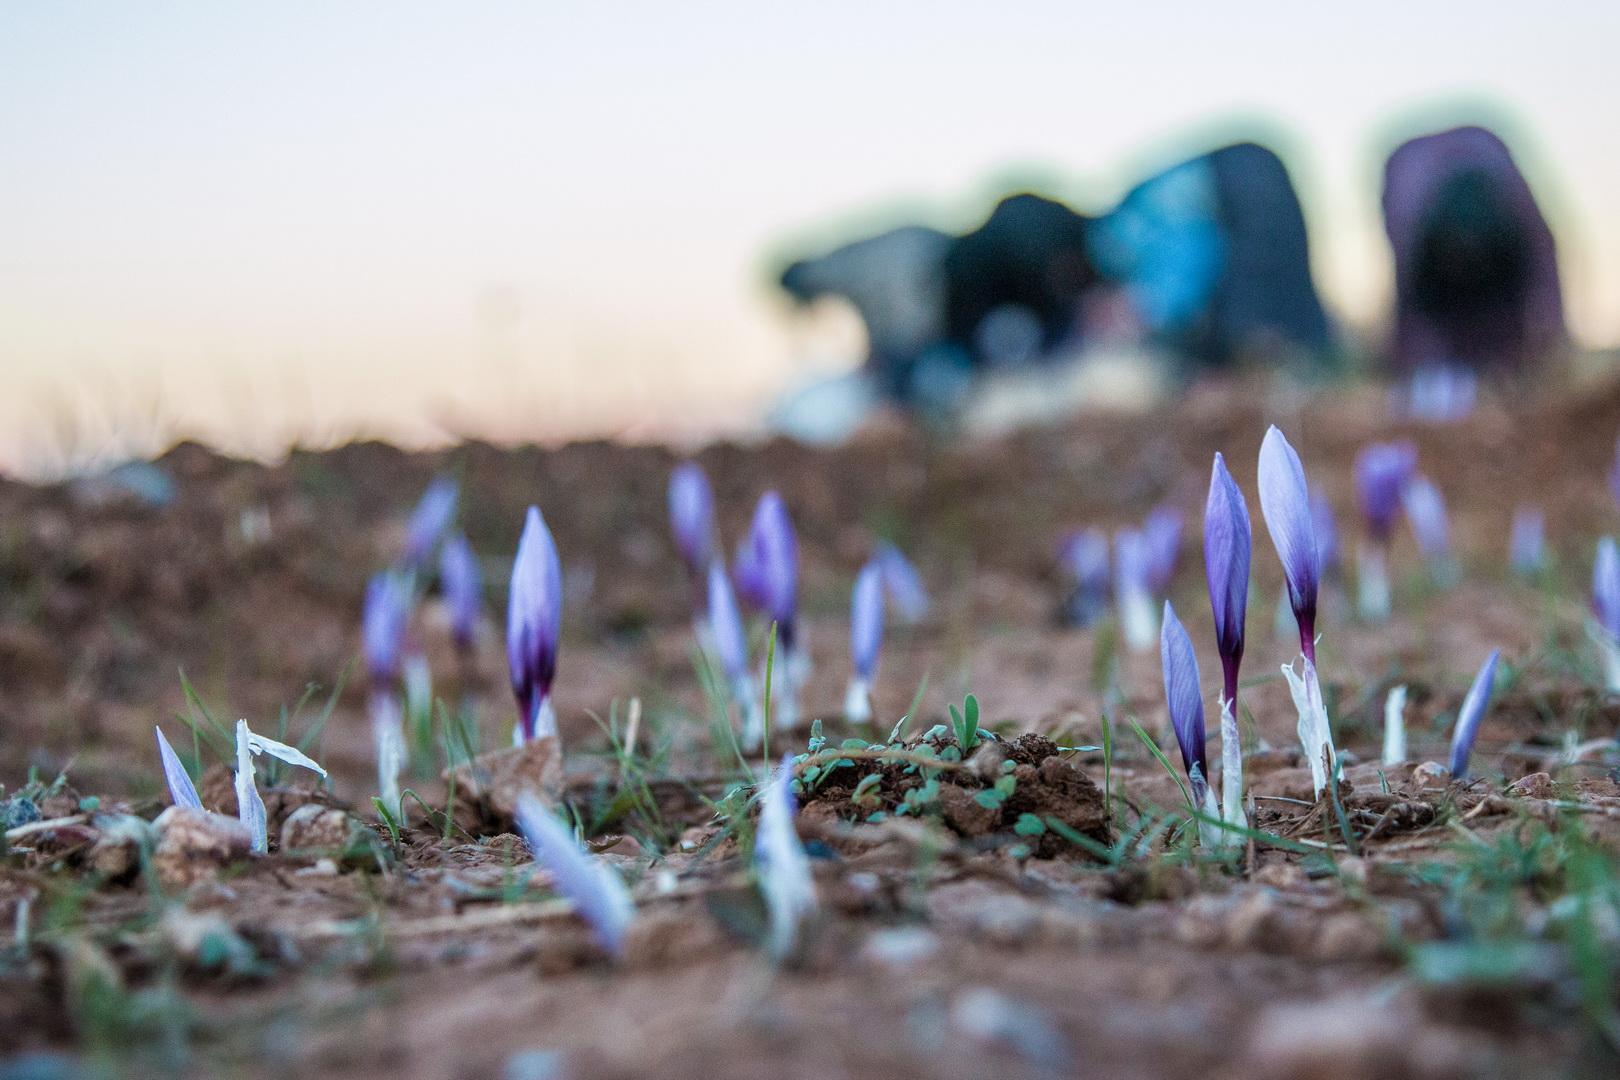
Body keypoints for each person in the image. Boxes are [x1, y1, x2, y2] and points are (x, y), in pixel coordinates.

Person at [1381, 125, 1566, 375]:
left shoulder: (1519, 226)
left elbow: (1547, 294)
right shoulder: (1408, 210)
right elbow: (1407, 309)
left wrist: (1548, 350)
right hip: (1425, 241)